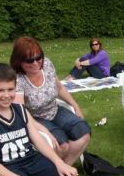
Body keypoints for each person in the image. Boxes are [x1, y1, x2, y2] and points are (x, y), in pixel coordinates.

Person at [11, 36, 90, 166]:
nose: (35, 63)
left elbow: (59, 88)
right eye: (29, 60)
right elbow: (21, 111)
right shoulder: (17, 79)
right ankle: (59, 170)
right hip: (34, 117)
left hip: (54, 109)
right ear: (19, 61)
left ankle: (64, 168)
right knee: (62, 145)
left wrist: (75, 106)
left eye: (38, 57)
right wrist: (45, 131)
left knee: (83, 132)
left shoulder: (46, 64)